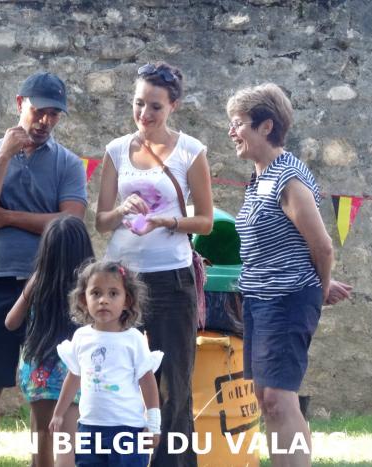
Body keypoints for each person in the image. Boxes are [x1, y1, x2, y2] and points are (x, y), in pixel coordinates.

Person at [0, 71, 87, 467]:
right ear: (20, 104)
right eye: (39, 111)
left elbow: (70, 222)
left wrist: (7, 216)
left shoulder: (68, 163)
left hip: (51, 288)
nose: (46, 121)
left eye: (55, 114)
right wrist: (4, 153)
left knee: (46, 394)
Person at [226, 82, 353, 467]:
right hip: (260, 301)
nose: (232, 132)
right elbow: (285, 245)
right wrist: (321, 282)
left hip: (285, 301)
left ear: (266, 126)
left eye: (238, 123)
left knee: (279, 401)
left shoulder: (288, 177)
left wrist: (318, 289)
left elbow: (323, 246)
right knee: (266, 399)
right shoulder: (259, 177)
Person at [95, 62, 213, 467]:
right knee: (113, 378)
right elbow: (101, 221)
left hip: (171, 280)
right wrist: (121, 209)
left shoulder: (191, 151)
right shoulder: (115, 149)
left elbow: (206, 222)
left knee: (172, 387)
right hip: (120, 280)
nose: (144, 114)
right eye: (138, 103)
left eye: (155, 107)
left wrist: (169, 222)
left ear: (173, 106)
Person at [49, 260, 163, 466]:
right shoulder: (81, 338)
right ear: (83, 299)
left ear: (127, 300)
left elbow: (148, 383)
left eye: (113, 293)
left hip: (128, 430)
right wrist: (58, 413)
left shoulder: (134, 340)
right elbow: (73, 377)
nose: (103, 300)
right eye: (96, 293)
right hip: (89, 428)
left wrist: (154, 425)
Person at [5, 215, 94, 467]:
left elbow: (11, 322)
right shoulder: (90, 288)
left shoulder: (39, 282)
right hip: (74, 372)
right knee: (67, 442)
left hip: (38, 368)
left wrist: (32, 283)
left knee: (41, 434)